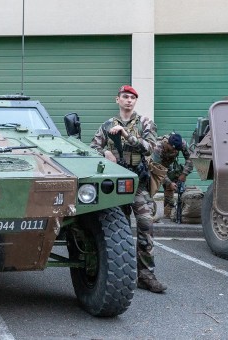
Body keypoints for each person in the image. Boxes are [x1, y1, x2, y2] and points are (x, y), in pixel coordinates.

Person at [90, 85, 166, 293]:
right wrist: (105, 152)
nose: (129, 100)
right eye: (125, 97)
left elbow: (150, 147)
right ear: (118, 100)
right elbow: (91, 148)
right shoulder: (107, 125)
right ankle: (113, 273)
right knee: (115, 229)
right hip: (116, 185)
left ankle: (146, 275)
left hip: (138, 182)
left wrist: (126, 135)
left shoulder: (145, 123)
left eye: (133, 97)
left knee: (145, 224)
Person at [150, 132, 193, 220]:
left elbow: (191, 158)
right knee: (151, 187)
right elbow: (159, 170)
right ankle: (149, 210)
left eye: (177, 150)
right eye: (173, 149)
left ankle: (168, 212)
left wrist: (184, 174)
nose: (175, 151)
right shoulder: (158, 147)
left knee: (170, 186)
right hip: (154, 166)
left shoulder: (182, 144)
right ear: (168, 144)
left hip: (168, 165)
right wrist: (169, 182)